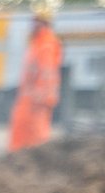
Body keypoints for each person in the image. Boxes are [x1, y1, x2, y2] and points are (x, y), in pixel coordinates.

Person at [8, 13, 63, 151]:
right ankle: (18, 157)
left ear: (44, 24)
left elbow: (47, 71)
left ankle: (33, 158)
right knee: (23, 129)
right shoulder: (38, 42)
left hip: (36, 98)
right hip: (30, 96)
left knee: (36, 133)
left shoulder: (46, 44)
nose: (33, 25)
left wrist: (41, 94)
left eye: (37, 22)